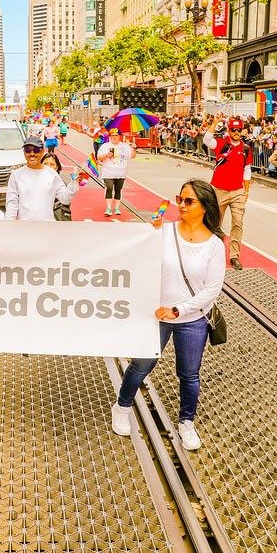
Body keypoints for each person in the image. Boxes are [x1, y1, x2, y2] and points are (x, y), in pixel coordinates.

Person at [111, 179, 225, 451]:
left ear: (204, 207)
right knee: (141, 365)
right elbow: (137, 256)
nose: (181, 205)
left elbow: (213, 289)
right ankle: (122, 406)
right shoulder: (163, 231)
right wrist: (148, 234)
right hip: (156, 314)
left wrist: (179, 309)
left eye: (189, 201)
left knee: (189, 374)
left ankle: (187, 422)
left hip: (191, 319)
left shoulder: (214, 245)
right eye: (180, 199)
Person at [203, 115, 252, 270]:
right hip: (219, 190)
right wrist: (215, 122)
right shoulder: (221, 144)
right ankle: (212, 255)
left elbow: (247, 170)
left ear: (242, 130)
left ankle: (234, 256)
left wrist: (246, 191)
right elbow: (206, 140)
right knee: (216, 224)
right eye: (233, 129)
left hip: (238, 191)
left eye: (238, 130)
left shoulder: (246, 148)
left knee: (238, 223)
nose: (236, 132)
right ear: (229, 130)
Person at [5, 136, 84, 220]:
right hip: (24, 226)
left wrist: (74, 183)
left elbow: (65, 199)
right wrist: (8, 224)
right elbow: (12, 203)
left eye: (36, 150)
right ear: (24, 152)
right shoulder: (16, 175)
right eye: (28, 150)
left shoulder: (52, 174)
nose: (32, 154)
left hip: (47, 227)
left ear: (42, 151)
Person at [97, 127, 136, 216]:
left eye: (116, 135)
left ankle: (117, 207)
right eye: (112, 136)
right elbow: (99, 157)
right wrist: (106, 155)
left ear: (120, 136)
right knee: (109, 188)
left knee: (118, 190)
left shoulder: (125, 146)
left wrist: (134, 148)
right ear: (110, 137)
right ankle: (109, 208)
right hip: (108, 172)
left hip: (121, 173)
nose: (114, 137)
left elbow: (132, 156)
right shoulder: (105, 146)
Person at [41, 152, 72, 221]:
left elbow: (65, 202)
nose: (48, 167)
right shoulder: (35, 181)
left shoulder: (61, 184)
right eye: (45, 164)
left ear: (57, 167)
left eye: (52, 164)